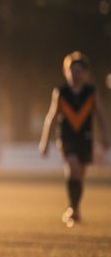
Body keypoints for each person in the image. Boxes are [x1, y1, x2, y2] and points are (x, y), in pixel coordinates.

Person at [39, 52, 109, 227]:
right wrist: (45, 141)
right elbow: (52, 117)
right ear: (66, 72)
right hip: (66, 138)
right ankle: (73, 210)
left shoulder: (90, 92)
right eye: (72, 70)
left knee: (80, 176)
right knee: (73, 168)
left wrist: (106, 135)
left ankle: (74, 208)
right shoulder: (61, 92)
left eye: (79, 70)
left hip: (85, 139)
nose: (76, 74)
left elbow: (100, 116)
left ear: (85, 73)